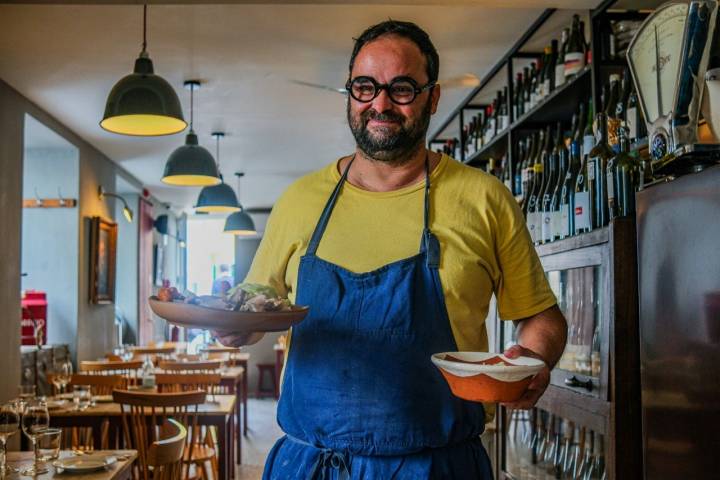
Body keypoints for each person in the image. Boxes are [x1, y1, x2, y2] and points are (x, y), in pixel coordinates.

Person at [216, 20, 567, 479]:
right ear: (350, 93)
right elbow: (254, 305)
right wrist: (231, 325)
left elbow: (541, 316)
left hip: (438, 466)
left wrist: (534, 358)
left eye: (401, 88)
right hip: (312, 464)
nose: (380, 103)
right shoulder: (299, 201)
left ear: (432, 97)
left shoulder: (484, 199)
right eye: (365, 87)